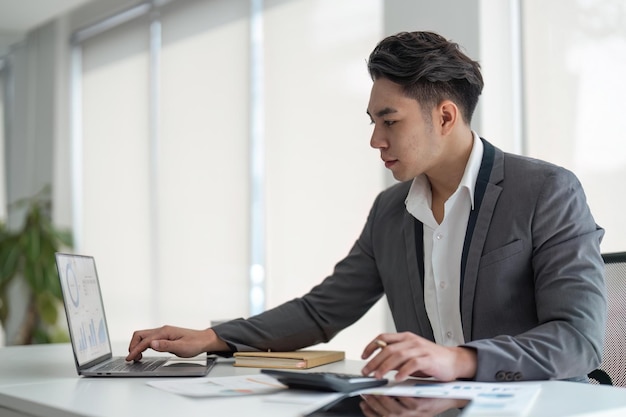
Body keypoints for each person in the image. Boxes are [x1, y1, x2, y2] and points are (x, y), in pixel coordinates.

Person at [127, 31, 606, 383]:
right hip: (429, 407)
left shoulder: (546, 191)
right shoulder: (390, 211)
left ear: (444, 115)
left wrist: (459, 359)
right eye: (372, 121)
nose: (375, 139)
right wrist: (211, 338)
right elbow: (322, 311)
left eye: (389, 120)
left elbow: (578, 340)